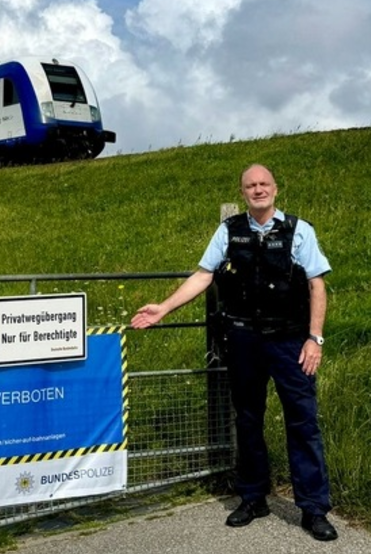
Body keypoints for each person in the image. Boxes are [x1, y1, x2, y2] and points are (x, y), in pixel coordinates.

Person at [130, 164, 337, 542]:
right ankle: (253, 497)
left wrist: (315, 339)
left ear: (276, 189)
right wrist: (163, 307)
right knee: (247, 419)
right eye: (250, 186)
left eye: (263, 184)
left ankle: (313, 508)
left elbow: (317, 285)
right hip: (244, 340)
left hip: (291, 342)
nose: (258, 190)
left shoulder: (298, 230)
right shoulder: (229, 230)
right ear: (242, 193)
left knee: (303, 423)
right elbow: (204, 274)